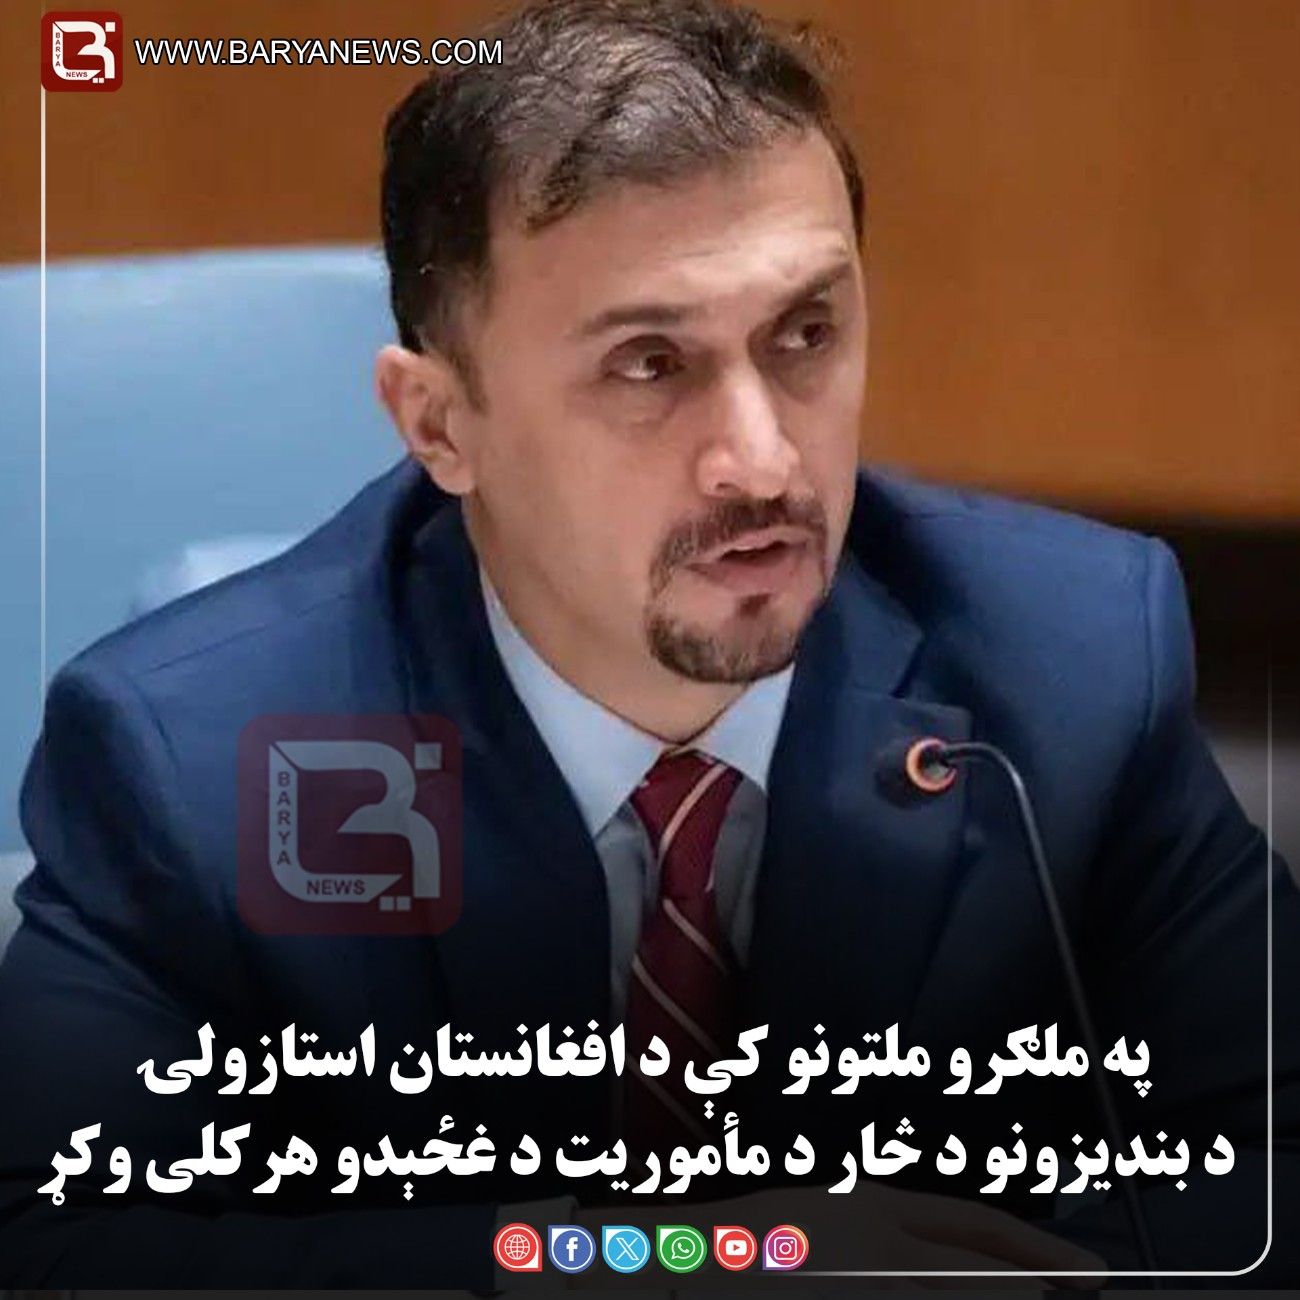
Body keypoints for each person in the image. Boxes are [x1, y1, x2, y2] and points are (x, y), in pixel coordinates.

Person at [1, 0, 1295, 1288]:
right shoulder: (197, 762)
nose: (764, 462)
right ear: (439, 425)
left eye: (805, 334)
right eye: (648, 365)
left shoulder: (1068, 666)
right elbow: (52, 1247)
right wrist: (672, 1263)